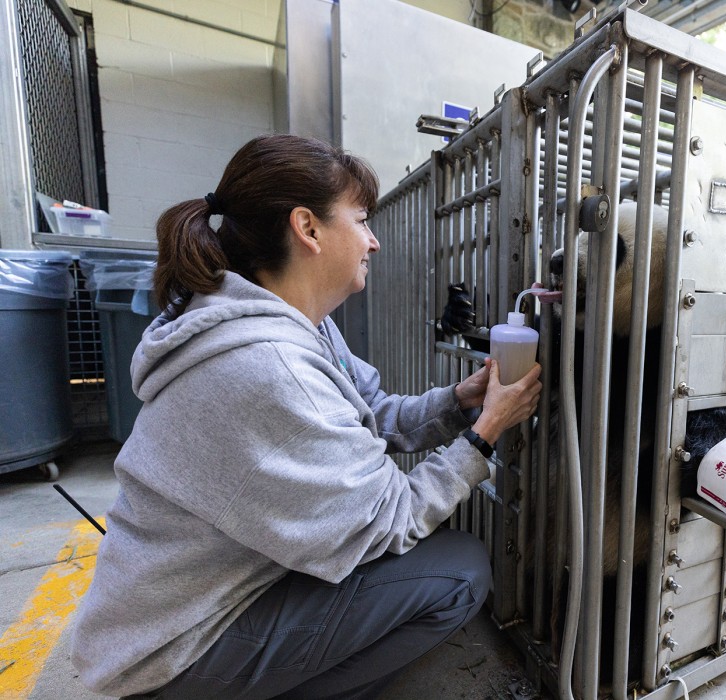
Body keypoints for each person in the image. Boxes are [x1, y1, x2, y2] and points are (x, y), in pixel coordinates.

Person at [70, 133, 542, 699]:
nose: (374, 242)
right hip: (174, 649)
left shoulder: (292, 321)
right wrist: (486, 433)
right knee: (458, 575)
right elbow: (393, 518)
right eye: (362, 220)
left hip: (200, 595)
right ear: (308, 228)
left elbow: (369, 413)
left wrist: (458, 402)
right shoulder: (267, 366)